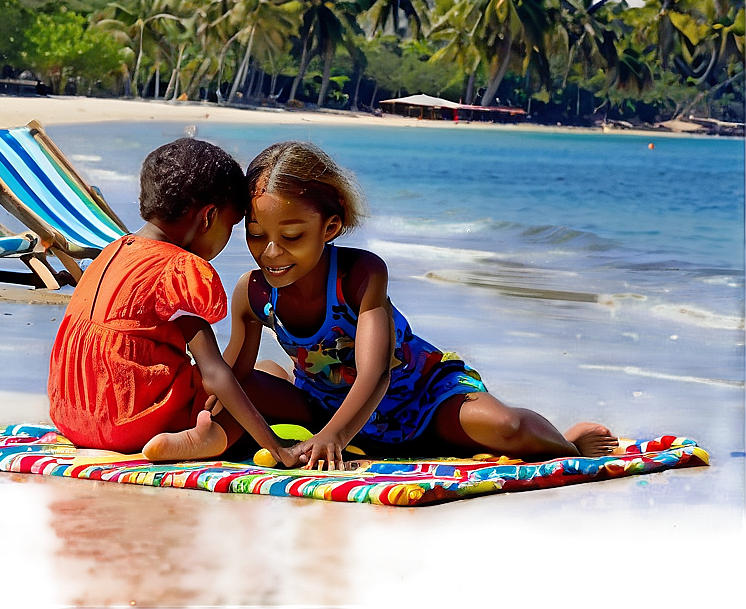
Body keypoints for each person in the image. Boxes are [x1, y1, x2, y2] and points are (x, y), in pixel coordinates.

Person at [222, 140, 619, 471]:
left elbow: (375, 375)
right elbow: (226, 378)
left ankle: (569, 444)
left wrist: (332, 438)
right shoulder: (254, 293)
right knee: (239, 384)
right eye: (256, 235)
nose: (271, 253)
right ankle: (286, 384)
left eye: (291, 235)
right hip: (324, 404)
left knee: (509, 428)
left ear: (331, 227)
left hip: (421, 398)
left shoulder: (360, 274)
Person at [47, 137, 297, 466]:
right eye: (231, 225)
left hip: (73, 413)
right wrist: (277, 447)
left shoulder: (112, 252)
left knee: (269, 372)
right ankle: (210, 437)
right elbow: (215, 374)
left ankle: (198, 432)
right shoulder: (179, 270)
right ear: (208, 217)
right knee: (260, 381)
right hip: (134, 421)